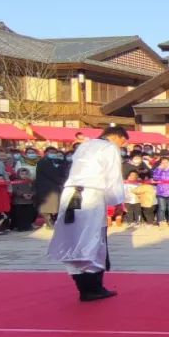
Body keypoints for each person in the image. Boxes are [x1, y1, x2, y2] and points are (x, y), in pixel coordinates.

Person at [46, 125, 128, 301]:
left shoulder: (84, 145)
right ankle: (93, 286)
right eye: (122, 142)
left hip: (71, 194)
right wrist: (117, 201)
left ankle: (84, 286)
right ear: (117, 137)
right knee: (93, 239)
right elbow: (113, 178)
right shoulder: (109, 148)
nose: (121, 146)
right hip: (91, 194)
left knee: (73, 237)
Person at [35, 146, 68, 229]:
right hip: (46, 187)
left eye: (54, 153)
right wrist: (62, 181)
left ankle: (53, 222)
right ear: (45, 153)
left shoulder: (56, 161)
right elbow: (51, 174)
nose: (52, 154)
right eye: (50, 152)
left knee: (54, 205)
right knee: (47, 206)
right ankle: (48, 223)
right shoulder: (43, 162)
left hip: (54, 186)